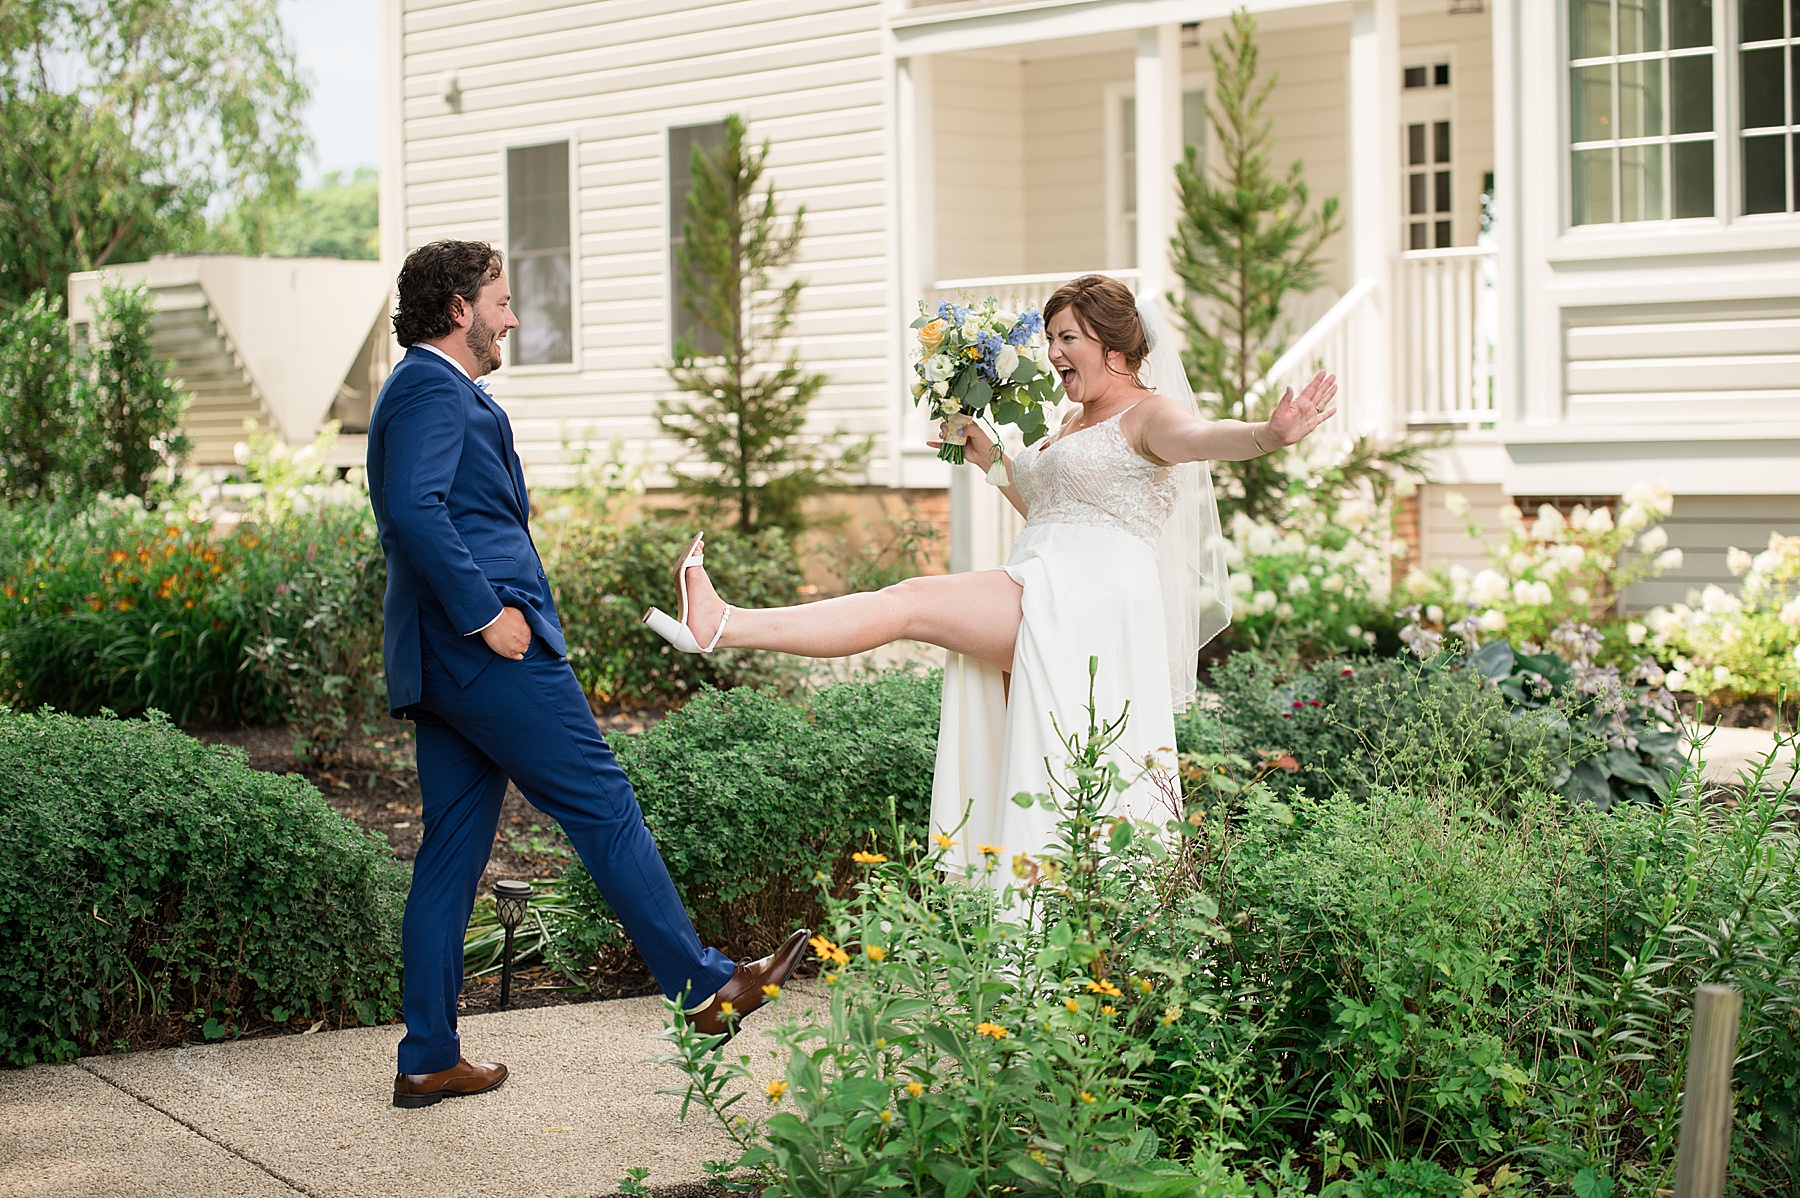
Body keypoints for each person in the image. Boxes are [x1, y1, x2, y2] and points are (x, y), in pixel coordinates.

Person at [642, 273, 1335, 874]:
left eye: (1068, 338)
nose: (1053, 351)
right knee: (1031, 766)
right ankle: (1041, 938)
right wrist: (992, 458)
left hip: (1087, 599)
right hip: (1048, 574)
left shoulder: (1152, 414)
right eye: (1053, 337)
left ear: (1114, 349)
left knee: (910, 602)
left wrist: (1269, 435)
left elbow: (1203, 439)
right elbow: (1053, 504)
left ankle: (724, 624)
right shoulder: (1072, 416)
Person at [367, 240, 807, 1110]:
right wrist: (487, 615)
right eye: (499, 298)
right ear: (458, 308)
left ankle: (427, 1055)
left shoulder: (434, 389)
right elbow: (413, 511)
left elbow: (439, 506)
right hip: (484, 653)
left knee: (451, 855)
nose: (512, 316)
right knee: (603, 804)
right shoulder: (427, 385)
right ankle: (704, 986)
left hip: (448, 664)